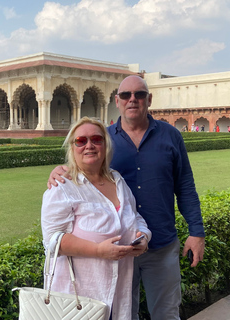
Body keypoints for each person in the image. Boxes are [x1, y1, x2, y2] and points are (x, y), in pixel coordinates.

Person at [47, 75, 205, 319]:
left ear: (148, 99)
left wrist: (196, 232)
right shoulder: (103, 139)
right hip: (116, 253)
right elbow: (83, 167)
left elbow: (185, 185)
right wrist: (61, 171)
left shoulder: (170, 136)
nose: (133, 100)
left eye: (139, 94)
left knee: (166, 313)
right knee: (122, 312)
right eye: (126, 95)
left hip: (160, 244)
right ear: (117, 100)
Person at [42, 116, 151, 320]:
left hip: (117, 295)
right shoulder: (62, 186)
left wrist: (144, 237)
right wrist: (99, 250)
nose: (89, 145)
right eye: (81, 141)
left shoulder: (117, 180)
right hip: (79, 301)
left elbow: (135, 216)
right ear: (72, 148)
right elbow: (53, 240)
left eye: (96, 139)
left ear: (105, 145)